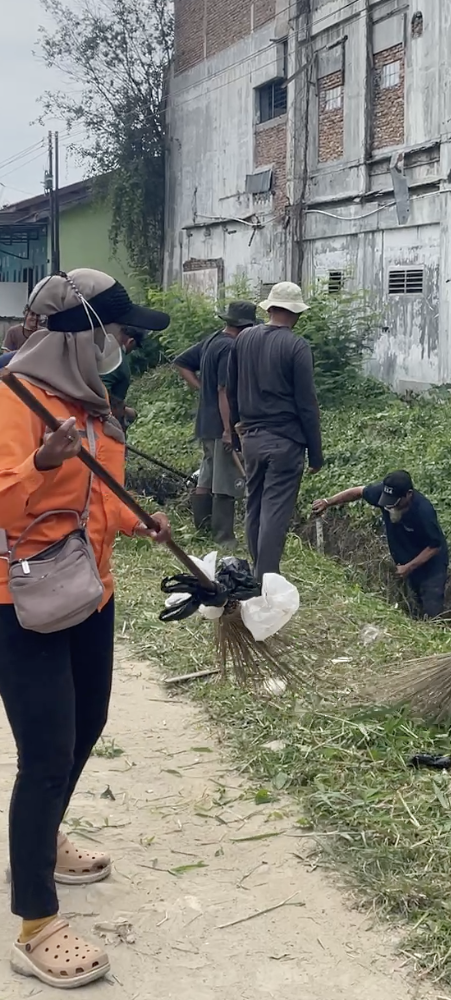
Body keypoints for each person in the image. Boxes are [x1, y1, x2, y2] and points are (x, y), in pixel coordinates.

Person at [0, 268, 172, 988]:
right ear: (82, 337)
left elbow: (97, 496)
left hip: (87, 592)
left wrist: (140, 522)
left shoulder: (88, 401)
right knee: (46, 754)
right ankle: (34, 921)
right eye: (121, 332)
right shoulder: (13, 403)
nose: (127, 344)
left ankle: (39, 843)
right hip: (21, 600)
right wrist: (40, 463)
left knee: (90, 721)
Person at [227, 282, 322, 580]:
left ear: (269, 308)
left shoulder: (243, 340)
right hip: (285, 441)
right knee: (275, 511)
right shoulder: (296, 346)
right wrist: (316, 453)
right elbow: (307, 404)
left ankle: (257, 569)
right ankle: (265, 578)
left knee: (254, 504)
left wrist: (234, 431)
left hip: (251, 437)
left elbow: (231, 389)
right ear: (295, 314)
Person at [174, 301, 257, 548]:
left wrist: (201, 390)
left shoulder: (212, 340)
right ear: (245, 327)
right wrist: (228, 430)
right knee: (225, 481)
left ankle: (202, 532)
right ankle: (223, 538)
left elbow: (181, 362)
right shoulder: (230, 348)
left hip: (205, 423)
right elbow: (223, 391)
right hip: (220, 425)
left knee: (207, 476)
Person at [312, 471, 450, 619]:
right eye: (387, 502)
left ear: (408, 494)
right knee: (414, 602)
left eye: (394, 503)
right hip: (406, 560)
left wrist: (408, 567)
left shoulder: (424, 511)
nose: (389, 507)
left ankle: (434, 632)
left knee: (431, 607)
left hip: (431, 566)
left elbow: (434, 546)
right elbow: (358, 491)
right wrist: (328, 502)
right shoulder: (383, 495)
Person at [101, 324, 145, 431]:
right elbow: (102, 389)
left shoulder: (102, 349)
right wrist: (119, 408)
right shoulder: (119, 360)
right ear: (131, 341)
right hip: (106, 419)